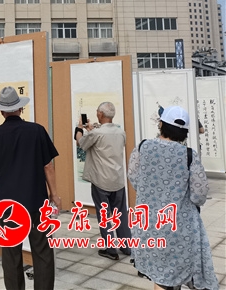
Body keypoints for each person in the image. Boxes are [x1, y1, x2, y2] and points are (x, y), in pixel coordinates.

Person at [0, 86, 60, 290]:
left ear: (1, 112)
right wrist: (54, 195)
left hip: (7, 206)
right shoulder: (37, 131)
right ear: (21, 109)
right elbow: (48, 166)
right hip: (36, 201)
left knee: (11, 254)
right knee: (42, 251)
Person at [128, 106, 218, 290]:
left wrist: (150, 193)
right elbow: (199, 194)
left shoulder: (142, 147)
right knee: (173, 272)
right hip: (179, 226)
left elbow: (134, 177)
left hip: (147, 223)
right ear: (185, 132)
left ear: (161, 124)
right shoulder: (189, 155)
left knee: (160, 276)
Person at [74, 102, 132, 260]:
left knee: (104, 214)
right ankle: (126, 246)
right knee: (121, 214)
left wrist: (79, 129)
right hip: (118, 180)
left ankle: (111, 249)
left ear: (100, 114)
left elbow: (81, 143)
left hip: (101, 180)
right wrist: (91, 130)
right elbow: (103, 141)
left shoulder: (96, 133)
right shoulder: (121, 132)